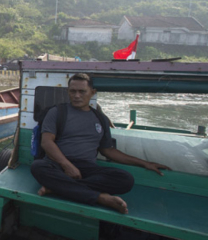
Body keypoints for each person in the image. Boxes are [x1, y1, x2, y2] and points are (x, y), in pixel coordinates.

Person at [30, 73, 170, 214]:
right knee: (38, 166)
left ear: (92, 92)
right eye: (73, 91)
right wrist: (68, 166)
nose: (77, 95)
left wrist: (144, 163)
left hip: (87, 168)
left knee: (125, 179)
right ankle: (100, 198)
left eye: (82, 91)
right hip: (58, 165)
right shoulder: (57, 112)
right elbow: (47, 143)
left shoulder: (100, 119)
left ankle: (57, 188)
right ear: (68, 92)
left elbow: (108, 150)